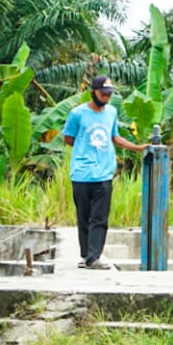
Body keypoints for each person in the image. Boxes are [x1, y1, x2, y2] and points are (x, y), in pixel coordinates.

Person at [62, 76, 148, 269]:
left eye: (110, 94)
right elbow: (68, 139)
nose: (107, 98)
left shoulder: (111, 112)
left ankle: (94, 257)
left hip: (104, 173)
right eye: (104, 94)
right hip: (82, 173)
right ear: (93, 92)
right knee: (84, 216)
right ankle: (86, 255)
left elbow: (115, 137)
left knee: (100, 217)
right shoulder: (77, 114)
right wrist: (85, 148)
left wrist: (137, 147)